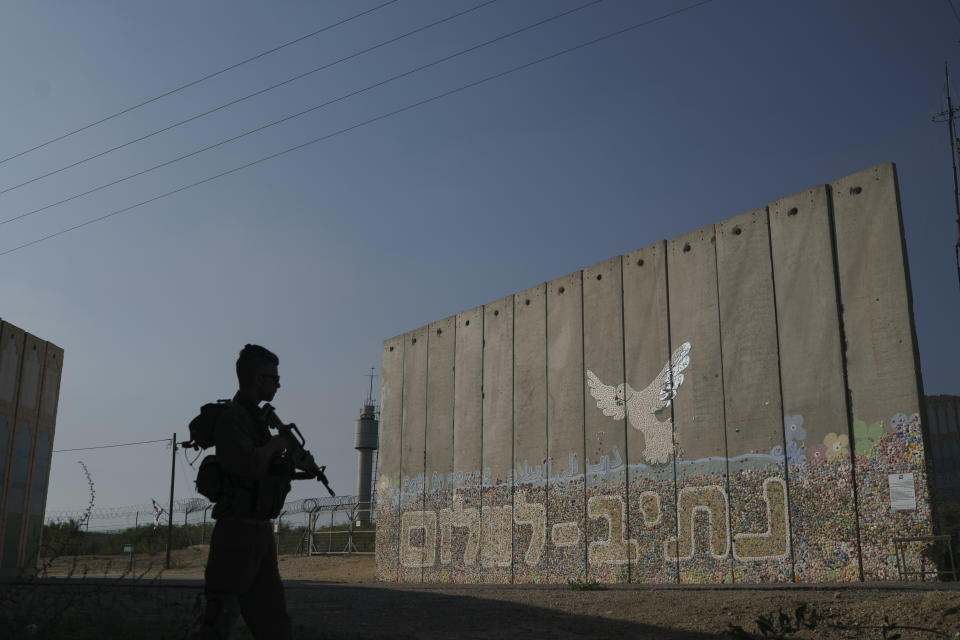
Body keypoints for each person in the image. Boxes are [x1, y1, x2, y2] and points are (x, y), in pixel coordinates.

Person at [194, 344, 310, 639]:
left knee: (274, 622)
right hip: (235, 532)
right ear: (258, 379)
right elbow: (247, 464)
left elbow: (266, 472)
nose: (278, 383)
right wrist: (276, 445)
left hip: (259, 533)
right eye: (273, 377)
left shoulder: (258, 421)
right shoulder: (233, 418)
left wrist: (291, 465)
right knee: (221, 619)